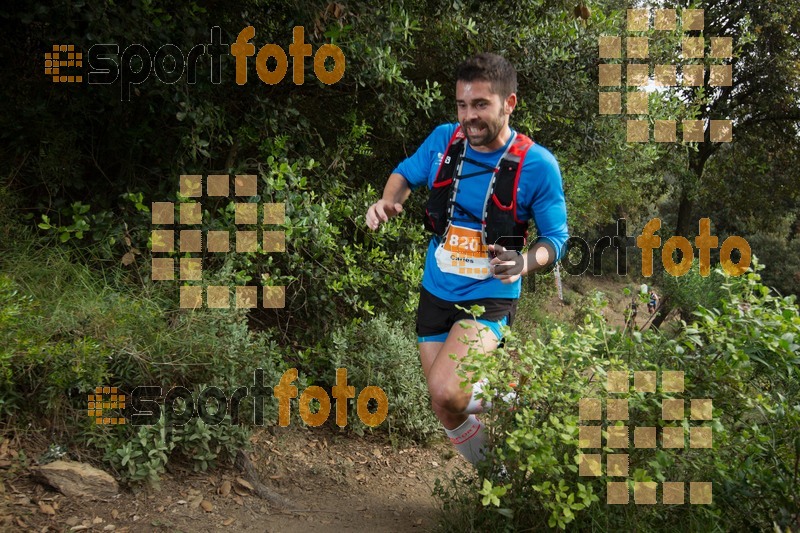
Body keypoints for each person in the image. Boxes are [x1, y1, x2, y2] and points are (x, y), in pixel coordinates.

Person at [365, 53, 568, 468]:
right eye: (461, 105)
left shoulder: (538, 165)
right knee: (446, 406)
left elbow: (555, 239)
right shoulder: (445, 140)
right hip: (437, 286)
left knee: (444, 390)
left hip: (490, 292)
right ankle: (499, 482)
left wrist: (525, 263)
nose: (468, 116)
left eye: (480, 105)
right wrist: (388, 200)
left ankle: (520, 399)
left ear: (509, 103)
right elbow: (404, 173)